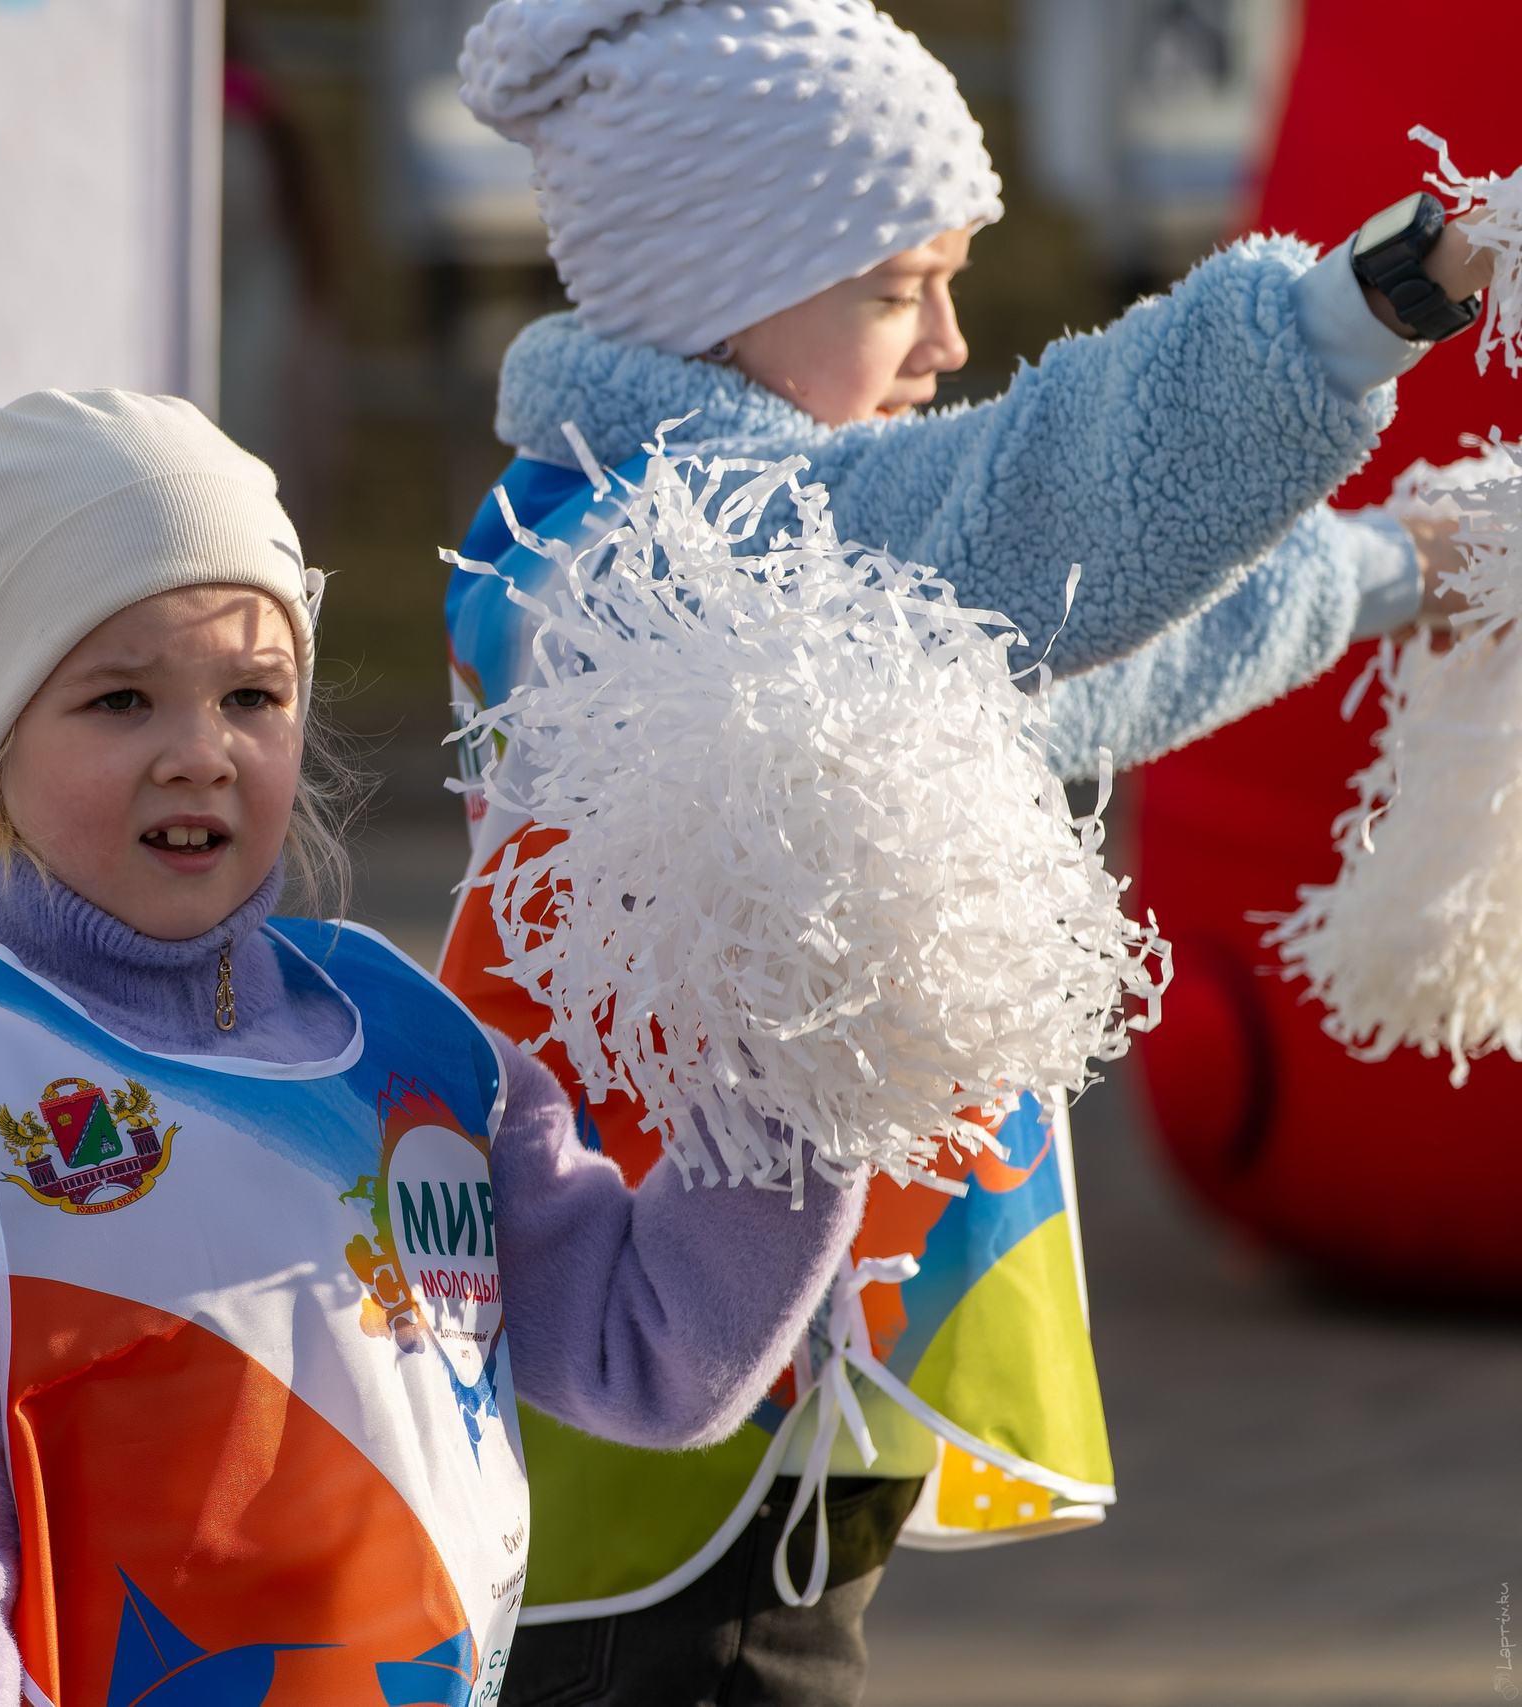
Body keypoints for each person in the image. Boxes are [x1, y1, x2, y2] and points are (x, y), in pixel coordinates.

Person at [440, 2, 1493, 1702]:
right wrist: (1339, 321)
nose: (941, 340)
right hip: (660, 1346)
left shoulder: (696, 529)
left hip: (788, 1345)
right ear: (718, 287)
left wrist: (1378, 568)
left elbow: (1067, 654)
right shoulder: (639, 553)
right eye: (889, 288)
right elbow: (1021, 519)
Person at [0, 389, 968, 1704]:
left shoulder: (401, 1032)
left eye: (253, 693)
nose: (200, 752)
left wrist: (812, 1054)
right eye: (121, 698)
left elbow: (652, 1346)